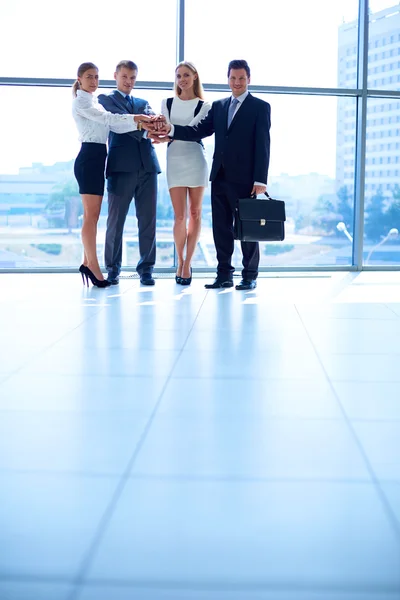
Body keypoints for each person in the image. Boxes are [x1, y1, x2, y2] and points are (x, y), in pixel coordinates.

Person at [148, 59, 271, 291]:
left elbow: (263, 144)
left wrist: (260, 179)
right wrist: (171, 129)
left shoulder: (260, 107)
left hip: (246, 179)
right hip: (220, 176)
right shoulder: (220, 106)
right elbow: (198, 131)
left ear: (249, 80)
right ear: (228, 79)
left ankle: (249, 275)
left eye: (241, 78)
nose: (237, 82)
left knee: (246, 228)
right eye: (233, 78)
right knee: (221, 228)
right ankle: (224, 274)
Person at [72, 62, 156, 288]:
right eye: (89, 77)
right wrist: (138, 120)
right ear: (79, 79)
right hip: (91, 159)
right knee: (93, 217)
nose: (94, 81)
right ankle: (96, 268)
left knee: (94, 216)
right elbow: (110, 121)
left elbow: (118, 125)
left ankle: (87, 261)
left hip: (99, 158)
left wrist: (147, 124)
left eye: (96, 77)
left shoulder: (92, 101)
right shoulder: (87, 102)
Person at [98, 60, 162, 286]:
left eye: (133, 77)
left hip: (147, 167)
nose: (128, 81)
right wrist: (143, 124)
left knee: (148, 221)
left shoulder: (143, 102)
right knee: (116, 222)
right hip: (121, 167)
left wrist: (150, 125)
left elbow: (154, 125)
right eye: (124, 76)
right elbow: (117, 124)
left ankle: (146, 269)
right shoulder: (105, 101)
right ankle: (113, 269)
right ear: (115, 76)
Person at [160, 62, 211, 285]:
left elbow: (192, 132)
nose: (182, 79)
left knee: (195, 213)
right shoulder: (167, 103)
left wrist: (169, 134)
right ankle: (179, 261)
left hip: (196, 160)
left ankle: (188, 263)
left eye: (186, 75)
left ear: (195, 77)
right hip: (175, 160)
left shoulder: (204, 105)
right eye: (179, 76)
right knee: (179, 216)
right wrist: (161, 134)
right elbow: (165, 132)